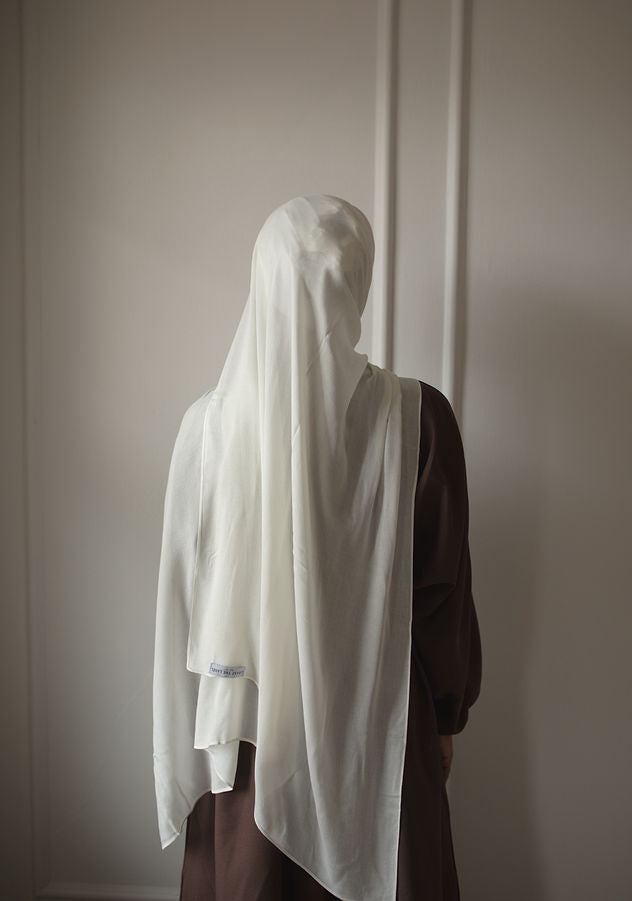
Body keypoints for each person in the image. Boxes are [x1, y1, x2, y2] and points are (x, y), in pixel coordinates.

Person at [153, 194, 482, 901]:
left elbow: (182, 600)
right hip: (382, 729)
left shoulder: (205, 429)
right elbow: (441, 594)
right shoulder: (419, 420)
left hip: (247, 738)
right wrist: (446, 717)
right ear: (358, 283)